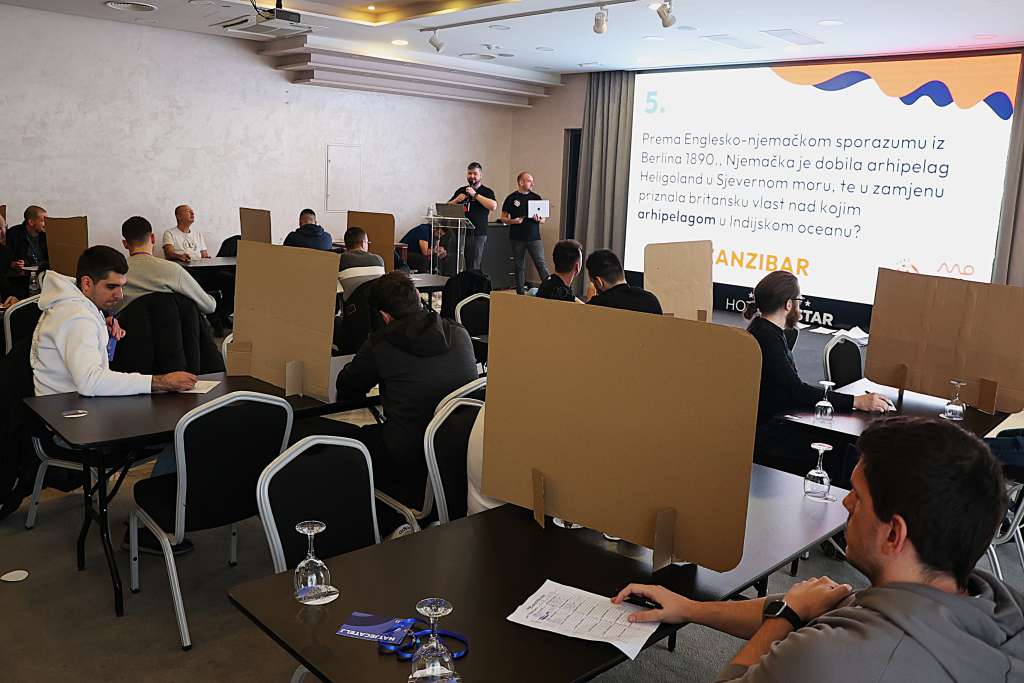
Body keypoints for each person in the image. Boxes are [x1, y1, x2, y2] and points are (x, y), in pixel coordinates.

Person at [615, 417, 1023, 683]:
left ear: (894, 534)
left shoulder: (833, 658)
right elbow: (821, 604)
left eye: (858, 497)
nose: (846, 503)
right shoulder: (981, 602)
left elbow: (794, 615)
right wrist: (691, 609)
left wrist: (787, 618)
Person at [296, 272, 478, 509]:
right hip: (462, 455)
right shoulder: (459, 332)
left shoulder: (380, 343)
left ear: (384, 315)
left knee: (330, 441)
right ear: (417, 296)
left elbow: (348, 388)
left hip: (409, 460)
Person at [744, 270, 889, 475]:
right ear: (788, 305)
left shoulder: (763, 330)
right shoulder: (767, 338)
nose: (800, 306)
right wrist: (856, 401)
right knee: (846, 451)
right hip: (770, 432)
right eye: (799, 300)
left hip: (775, 420)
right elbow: (797, 391)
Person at [31, 246, 197, 397]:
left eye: (122, 286)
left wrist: (102, 322)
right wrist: (160, 382)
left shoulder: (77, 305)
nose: (120, 295)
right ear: (86, 283)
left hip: (71, 402)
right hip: (66, 410)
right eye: (111, 287)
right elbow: (90, 382)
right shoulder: (77, 317)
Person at [117, 216, 216, 314]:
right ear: (153, 238)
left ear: (125, 244)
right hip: (171, 323)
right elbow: (209, 306)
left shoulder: (116, 273)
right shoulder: (173, 270)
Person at [501, 172, 551, 294]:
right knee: (519, 266)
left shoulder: (536, 197)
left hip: (534, 238)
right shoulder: (511, 198)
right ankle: (520, 294)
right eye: (529, 181)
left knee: (540, 264)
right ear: (521, 182)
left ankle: (550, 290)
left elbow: (543, 219)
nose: (532, 184)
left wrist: (539, 219)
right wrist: (513, 221)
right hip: (516, 238)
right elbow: (503, 218)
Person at [448, 162, 497, 271]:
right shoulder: (461, 190)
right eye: (470, 173)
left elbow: (493, 206)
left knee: (473, 265)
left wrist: (475, 194)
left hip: (477, 234)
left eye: (475, 174)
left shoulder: (486, 191)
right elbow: (446, 208)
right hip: (460, 233)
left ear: (481, 175)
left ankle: (473, 283)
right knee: (457, 265)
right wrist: (456, 200)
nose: (472, 176)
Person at [585, 249, 662, 314]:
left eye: (593, 282)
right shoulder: (651, 300)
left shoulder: (597, 306)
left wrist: (589, 303)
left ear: (599, 282)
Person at [338, 227, 385, 302]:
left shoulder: (338, 259)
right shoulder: (379, 259)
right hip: (378, 306)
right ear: (363, 243)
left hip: (352, 307)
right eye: (367, 243)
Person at [7, 205, 48, 272]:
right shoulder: (13, 234)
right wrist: (14, 264)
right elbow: (5, 261)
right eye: (43, 221)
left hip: (43, 272)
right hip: (22, 274)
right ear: (31, 222)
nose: (47, 223)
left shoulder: (46, 235)